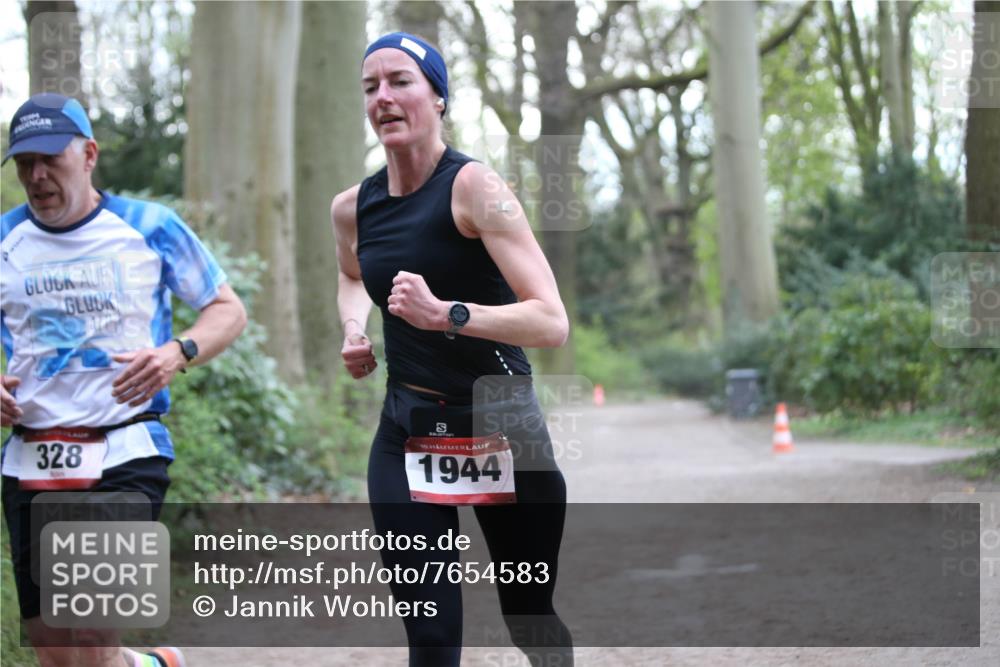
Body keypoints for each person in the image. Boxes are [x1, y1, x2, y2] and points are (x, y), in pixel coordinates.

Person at [332, 32, 574, 667]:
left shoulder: (475, 189)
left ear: (437, 98)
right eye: (370, 86)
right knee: (433, 640)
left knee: (530, 617)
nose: (383, 96)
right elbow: (354, 275)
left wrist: (449, 316)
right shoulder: (354, 208)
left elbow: (551, 321)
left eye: (401, 81)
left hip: (502, 425)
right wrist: (355, 330)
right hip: (409, 428)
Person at [1, 93, 247, 667]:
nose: (36, 176)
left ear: (88, 155)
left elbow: (226, 309)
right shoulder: (5, 239)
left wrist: (175, 352)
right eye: (23, 163)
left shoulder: (149, 227)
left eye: (49, 159)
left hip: (125, 447)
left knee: (88, 629)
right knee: (59, 652)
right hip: (31, 459)